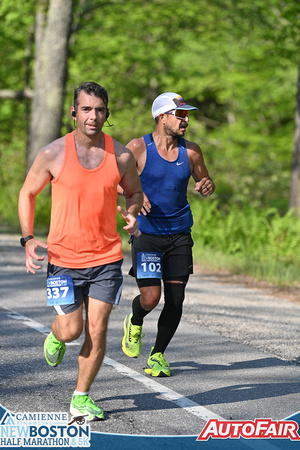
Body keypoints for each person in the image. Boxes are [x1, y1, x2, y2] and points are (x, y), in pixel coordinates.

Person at [18, 82, 143, 421]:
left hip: (106, 259)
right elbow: (27, 193)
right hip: (63, 261)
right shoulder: (52, 153)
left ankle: (81, 397)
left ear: (107, 114)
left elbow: (134, 193)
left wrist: (131, 215)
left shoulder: (121, 156)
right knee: (72, 329)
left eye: (100, 110)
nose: (93, 116)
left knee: (97, 329)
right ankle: (57, 335)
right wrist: (28, 238)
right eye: (86, 109)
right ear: (74, 112)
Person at [121, 92, 215, 377]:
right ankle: (135, 320)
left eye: (187, 115)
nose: (186, 120)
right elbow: (110, 181)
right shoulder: (138, 148)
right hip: (147, 233)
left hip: (179, 234)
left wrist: (207, 185)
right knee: (150, 297)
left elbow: (204, 179)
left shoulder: (192, 151)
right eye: (180, 115)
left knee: (176, 300)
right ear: (162, 117)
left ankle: (158, 354)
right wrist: (137, 194)